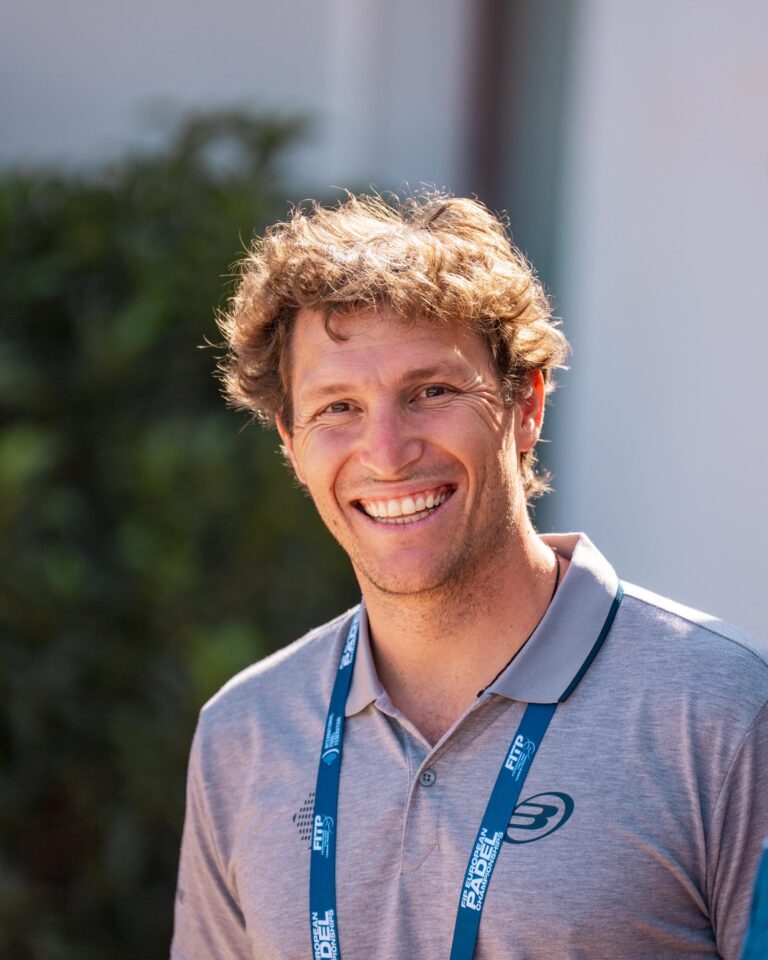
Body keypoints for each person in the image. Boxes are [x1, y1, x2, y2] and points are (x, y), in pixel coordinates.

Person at [171, 193, 768, 960]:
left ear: (525, 405)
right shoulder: (244, 733)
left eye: (432, 392)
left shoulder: (725, 713)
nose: (388, 454)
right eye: (338, 408)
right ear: (291, 442)